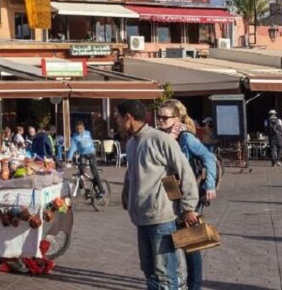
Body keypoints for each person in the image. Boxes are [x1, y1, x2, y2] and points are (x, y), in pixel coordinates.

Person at [117, 99, 199, 290]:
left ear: (128, 118)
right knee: (148, 270)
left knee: (165, 273)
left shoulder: (160, 140)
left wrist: (188, 207)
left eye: (118, 117)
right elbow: (132, 175)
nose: (117, 122)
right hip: (141, 218)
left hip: (161, 218)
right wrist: (127, 198)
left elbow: (185, 172)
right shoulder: (131, 143)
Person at [157, 100, 218, 290]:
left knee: (192, 241)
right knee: (175, 239)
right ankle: (178, 281)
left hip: (187, 195)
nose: (159, 121)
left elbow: (208, 157)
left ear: (176, 117)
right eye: (158, 117)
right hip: (171, 194)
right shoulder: (164, 136)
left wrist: (210, 186)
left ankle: (194, 285)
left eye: (164, 118)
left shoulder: (185, 137)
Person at [67, 121, 105, 198]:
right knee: (81, 172)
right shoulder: (75, 137)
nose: (79, 131)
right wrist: (69, 158)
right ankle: (85, 189)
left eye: (81, 129)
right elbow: (73, 148)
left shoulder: (87, 133)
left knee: (94, 171)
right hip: (83, 155)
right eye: (77, 129)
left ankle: (101, 190)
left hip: (91, 154)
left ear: (83, 128)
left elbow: (90, 143)